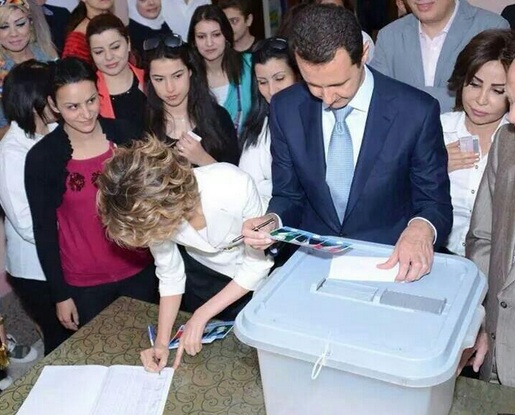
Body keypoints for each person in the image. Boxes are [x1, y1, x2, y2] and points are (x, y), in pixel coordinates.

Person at [243, 4, 453, 283]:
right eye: (314, 85)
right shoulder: (286, 107)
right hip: (314, 264)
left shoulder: (415, 112)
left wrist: (421, 229)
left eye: (339, 84)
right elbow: (289, 196)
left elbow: (434, 202)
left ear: (364, 54)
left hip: (389, 263)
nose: (327, 99)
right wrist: (272, 222)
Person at [96, 135, 273, 371]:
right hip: (206, 273)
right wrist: (161, 342)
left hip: (263, 273)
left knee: (257, 359)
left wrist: (201, 315)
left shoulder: (232, 184)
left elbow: (257, 266)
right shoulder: (151, 208)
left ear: (167, 208)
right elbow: (170, 273)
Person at [24, 58, 156, 338]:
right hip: (84, 285)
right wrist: (60, 295)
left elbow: (152, 200)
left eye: (91, 101)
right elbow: (44, 230)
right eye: (72, 107)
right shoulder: (43, 158)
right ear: (53, 105)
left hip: (140, 271)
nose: (85, 113)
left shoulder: (126, 134)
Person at [0, 60, 72, 354]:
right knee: (60, 338)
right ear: (36, 102)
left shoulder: (55, 131)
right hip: (35, 269)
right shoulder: (12, 153)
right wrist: (76, 226)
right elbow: (27, 223)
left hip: (63, 257)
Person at [465, 50, 515, 387]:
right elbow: (483, 238)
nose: (510, 116)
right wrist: (484, 322)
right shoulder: (506, 143)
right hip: (498, 355)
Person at [443, 29, 512, 256]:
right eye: (474, 84)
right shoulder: (437, 130)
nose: (481, 100)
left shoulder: (510, 141)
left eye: (497, 91)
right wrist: (432, 168)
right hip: (438, 257)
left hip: (496, 266)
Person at [371, 0, 509, 113]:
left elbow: (493, 99)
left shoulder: (490, 27)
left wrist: (406, 95)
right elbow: (378, 98)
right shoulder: (389, 35)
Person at [143, 34, 239, 166]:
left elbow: (235, 179)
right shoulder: (142, 124)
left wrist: (203, 159)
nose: (169, 88)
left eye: (177, 76)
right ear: (150, 80)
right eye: (159, 79)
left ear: (190, 72)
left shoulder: (218, 118)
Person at [239, 37, 298, 208]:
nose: (272, 91)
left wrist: (266, 186)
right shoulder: (259, 125)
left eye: (279, 79)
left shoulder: (320, 118)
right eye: (263, 82)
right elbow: (247, 184)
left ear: (297, 74)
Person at [188, 4, 252, 133]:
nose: (209, 43)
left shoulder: (250, 64)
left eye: (216, 35)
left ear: (226, 36)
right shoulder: (188, 76)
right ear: (193, 41)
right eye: (201, 37)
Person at [0, 0, 57, 136]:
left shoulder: (47, 54)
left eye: (20, 24)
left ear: (30, 22)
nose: (14, 34)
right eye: (3, 27)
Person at [87, 13, 145, 134]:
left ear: (128, 43)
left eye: (115, 47)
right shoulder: (88, 93)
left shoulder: (151, 80)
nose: (109, 57)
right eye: (99, 52)